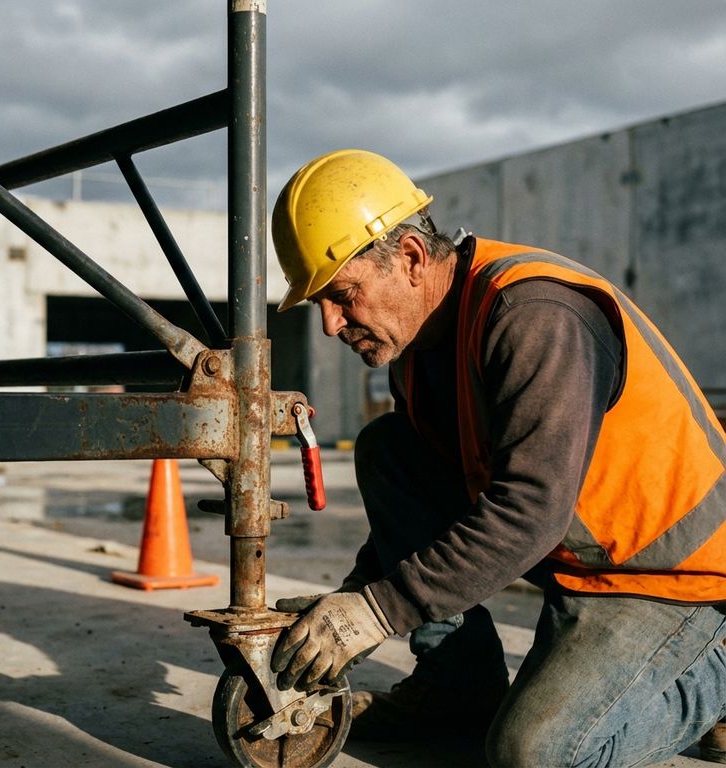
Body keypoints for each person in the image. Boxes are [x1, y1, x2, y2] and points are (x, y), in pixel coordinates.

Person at [268, 148, 726, 767]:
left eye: (342, 295)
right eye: (319, 302)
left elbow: (528, 509)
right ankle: (457, 690)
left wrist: (381, 611)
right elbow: (432, 503)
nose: (329, 324)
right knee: (390, 450)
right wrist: (352, 604)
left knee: (533, 755)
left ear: (409, 257)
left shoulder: (535, 317)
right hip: (578, 562)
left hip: (679, 583)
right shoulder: (420, 350)